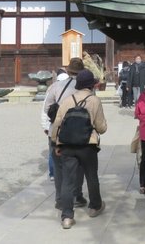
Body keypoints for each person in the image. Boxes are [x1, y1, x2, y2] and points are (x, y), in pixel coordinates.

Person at [50, 69, 108, 229]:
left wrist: (56, 143)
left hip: (68, 145)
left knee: (68, 180)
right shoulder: (94, 101)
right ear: (91, 85)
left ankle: (67, 216)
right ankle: (95, 206)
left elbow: (57, 123)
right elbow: (101, 127)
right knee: (91, 176)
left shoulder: (68, 100)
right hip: (87, 145)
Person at [42, 58, 87, 210]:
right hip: (79, 131)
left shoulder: (55, 86)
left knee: (59, 166)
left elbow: (47, 107)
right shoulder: (85, 89)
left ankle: (60, 198)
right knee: (79, 164)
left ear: (68, 71)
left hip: (58, 130)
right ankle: (76, 195)